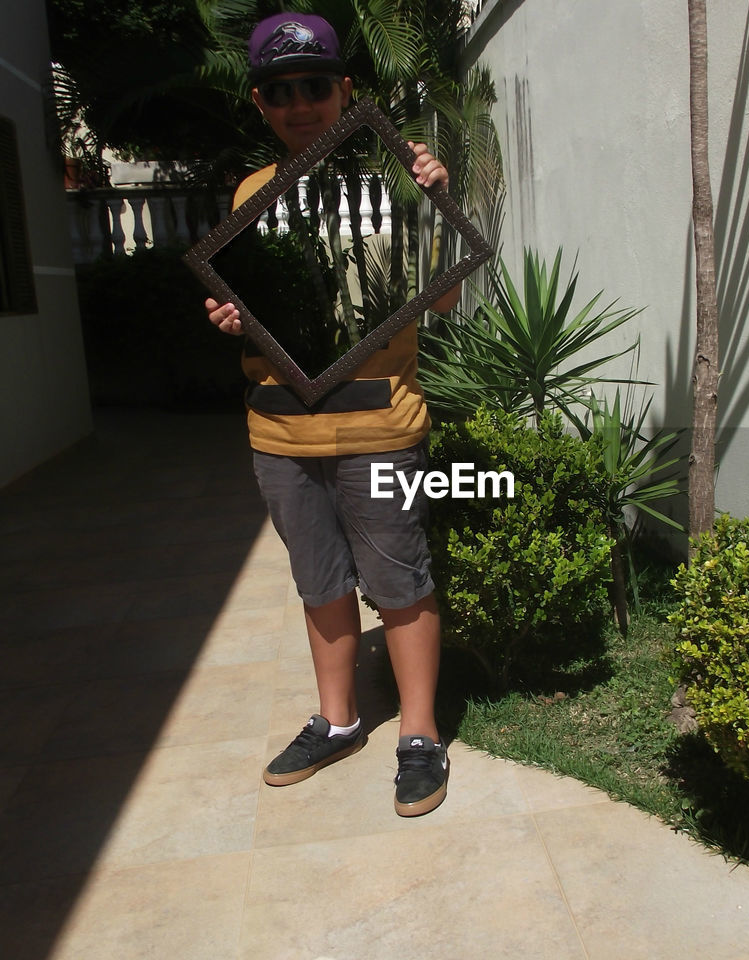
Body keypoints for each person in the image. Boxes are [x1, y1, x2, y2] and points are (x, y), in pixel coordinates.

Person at [204, 12, 458, 817]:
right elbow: (253, 311)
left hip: (379, 425)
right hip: (280, 432)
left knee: (398, 583)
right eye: (282, 91)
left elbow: (443, 295)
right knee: (318, 584)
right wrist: (231, 318)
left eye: (316, 85)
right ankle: (341, 720)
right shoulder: (249, 198)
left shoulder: (399, 179)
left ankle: (418, 734)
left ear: (347, 91)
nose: (301, 103)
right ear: (260, 103)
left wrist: (440, 207)